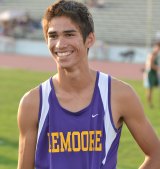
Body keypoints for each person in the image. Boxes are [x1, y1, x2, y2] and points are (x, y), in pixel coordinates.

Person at [17, 0, 160, 169]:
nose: (60, 44)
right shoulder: (32, 103)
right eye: (53, 36)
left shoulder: (119, 95)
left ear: (90, 39)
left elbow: (156, 155)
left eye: (69, 34)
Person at [143, 41, 160, 107]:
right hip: (150, 74)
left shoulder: (156, 55)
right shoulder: (152, 54)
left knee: (151, 89)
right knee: (149, 89)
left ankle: (150, 103)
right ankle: (149, 104)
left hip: (153, 73)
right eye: (158, 47)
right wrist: (158, 68)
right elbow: (150, 65)